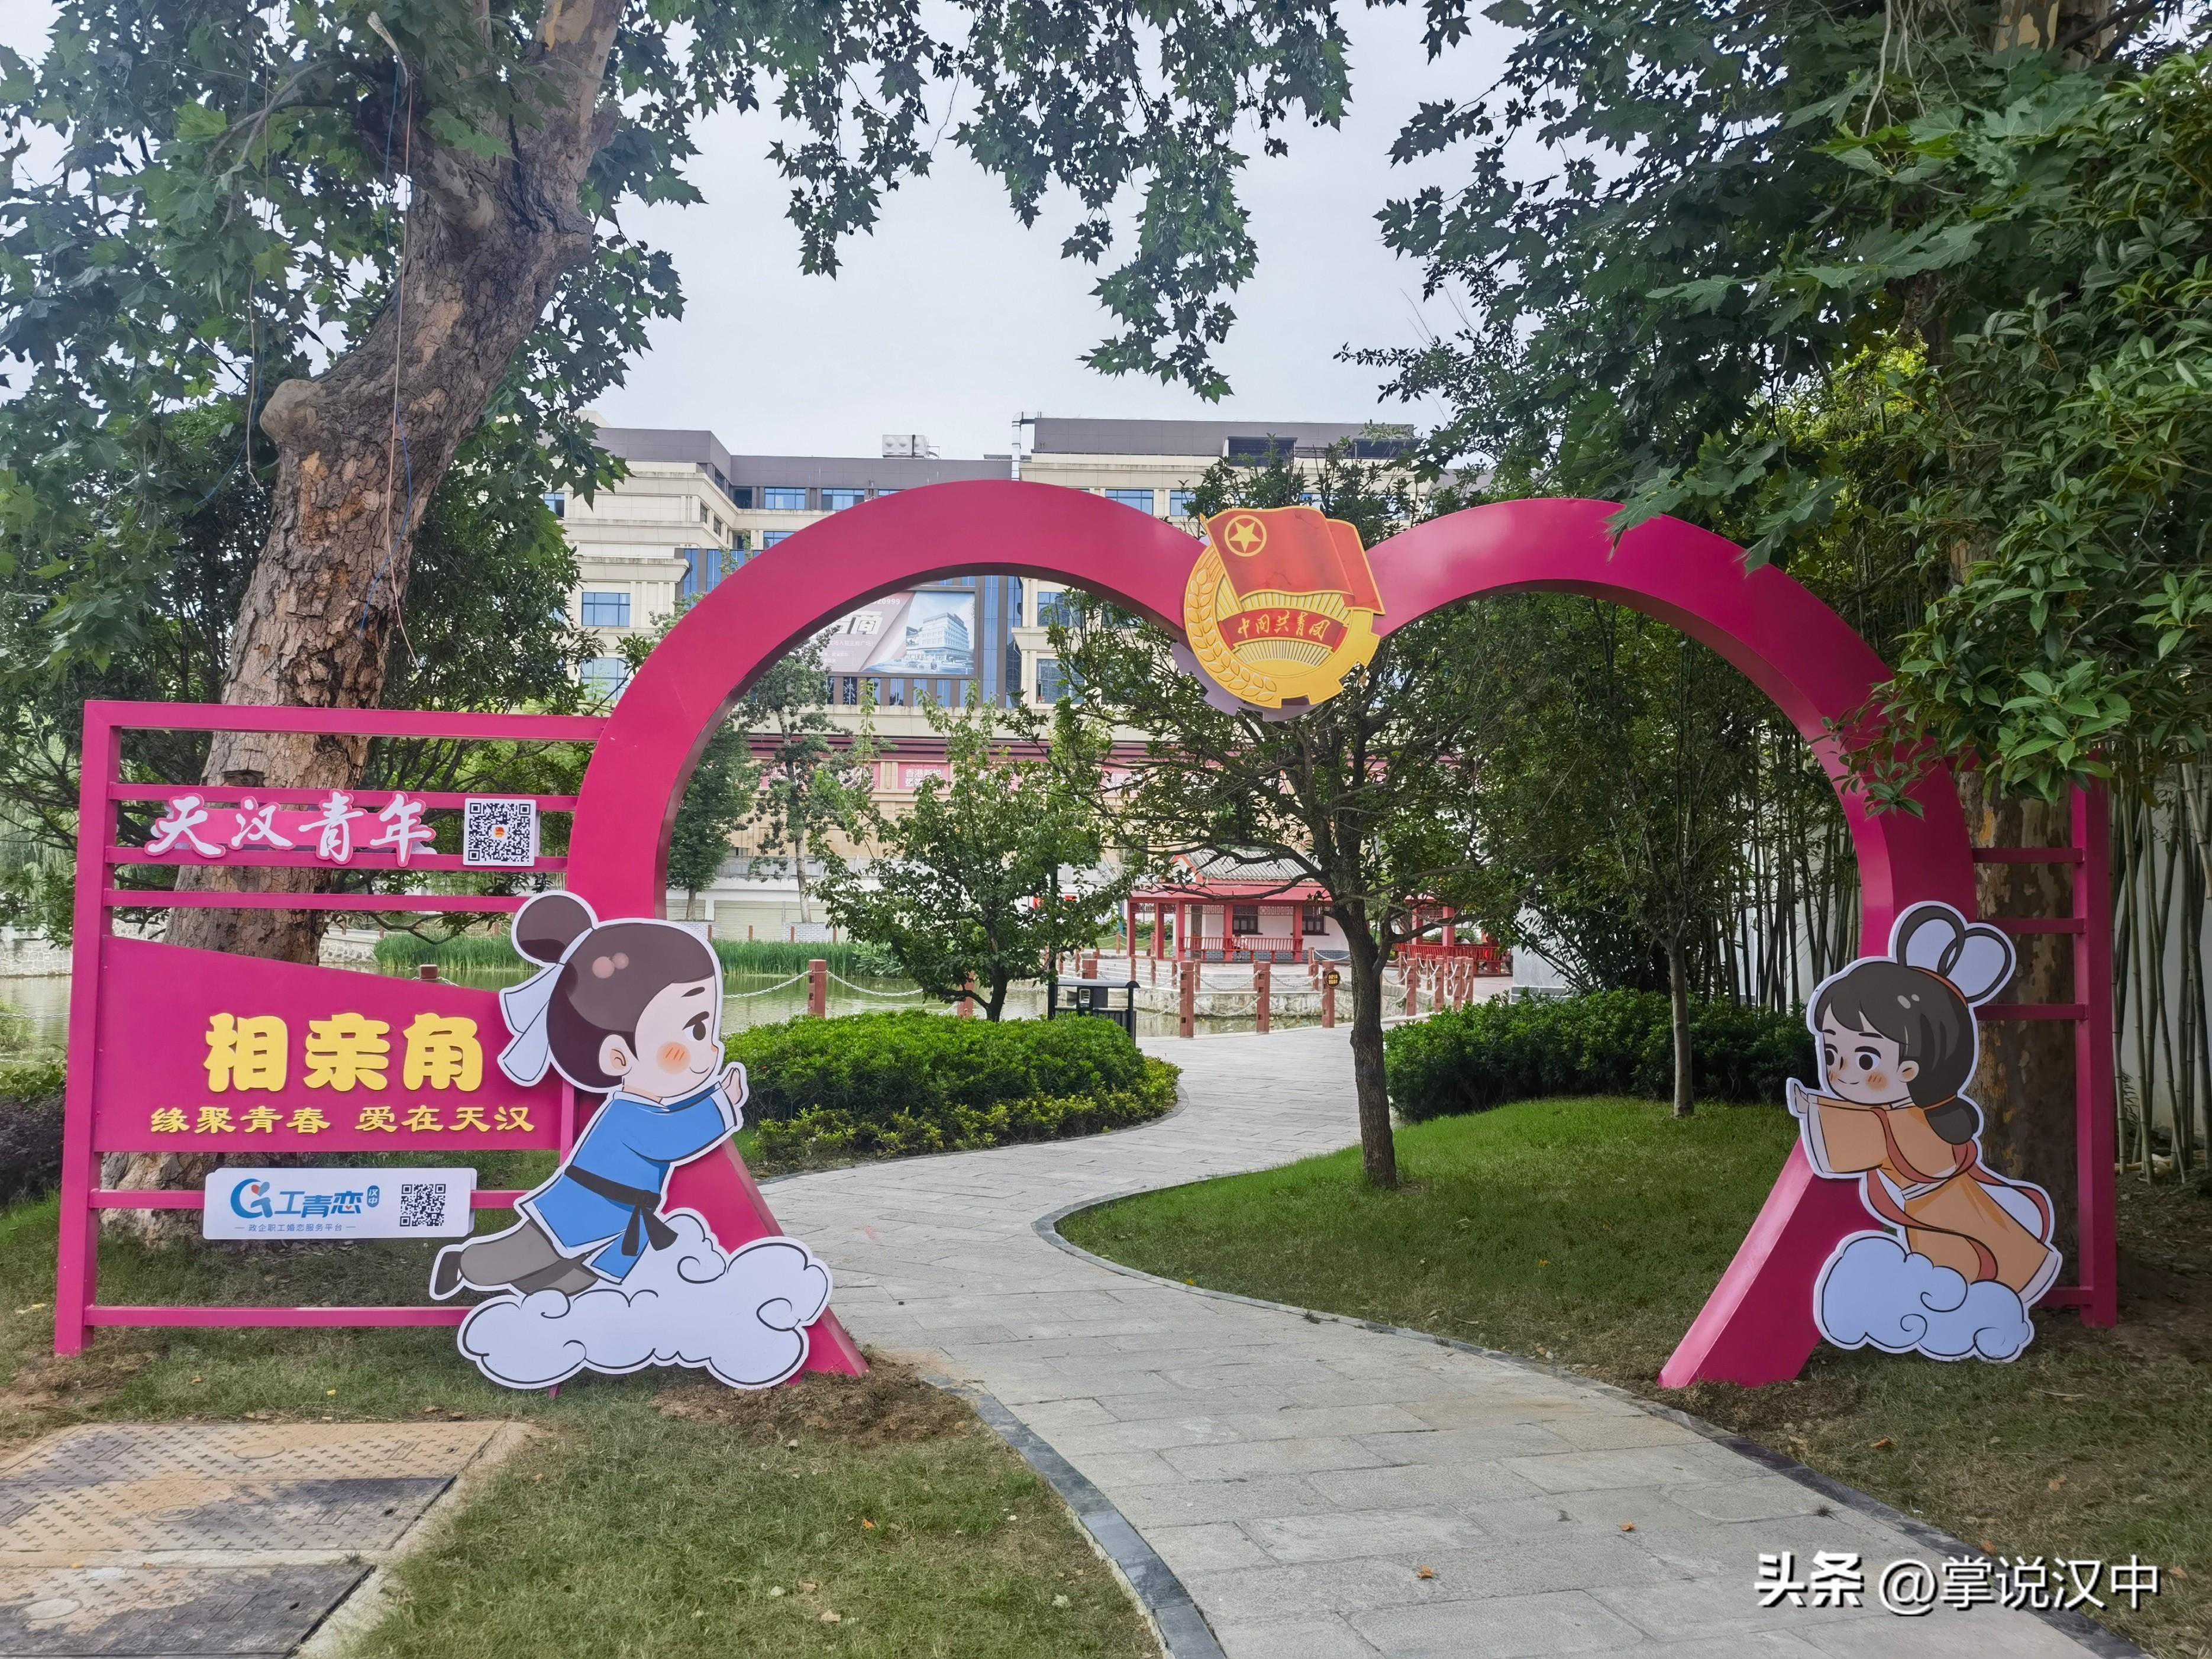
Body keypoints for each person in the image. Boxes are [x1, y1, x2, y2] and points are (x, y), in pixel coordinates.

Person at [431, 892, 743, 1300]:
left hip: (625, 1209)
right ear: (617, 1056)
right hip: (589, 1200)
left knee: (583, 1274)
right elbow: (670, 1138)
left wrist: (712, 1097)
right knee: (529, 1252)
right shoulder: (628, 1115)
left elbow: (673, 1121)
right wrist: (721, 1104)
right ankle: (465, 1264)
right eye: (696, 1031)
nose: (712, 1048)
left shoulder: (646, 1108)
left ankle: (541, 1301)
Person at [1788, 902, 2060, 1302]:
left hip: (1944, 1212)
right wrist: (1815, 1107)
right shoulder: (1907, 1115)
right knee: (1960, 1276)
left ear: (1911, 1068)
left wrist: (1812, 1108)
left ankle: (1997, 1299)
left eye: (1865, 1059)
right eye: (1831, 1053)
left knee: (1969, 1272)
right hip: (1935, 1210)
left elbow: (1866, 1135)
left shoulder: (1907, 1120)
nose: (1841, 1072)